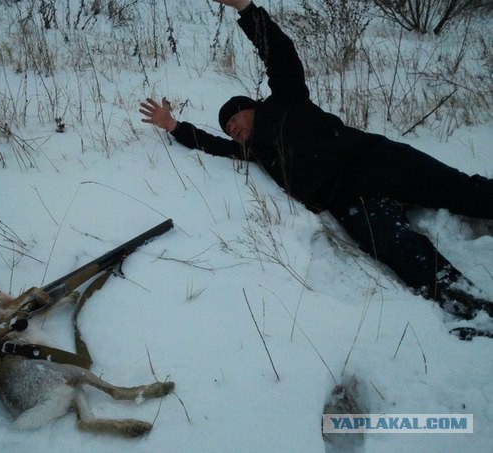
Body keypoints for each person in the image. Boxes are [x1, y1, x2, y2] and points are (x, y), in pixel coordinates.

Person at [139, 0, 493, 320]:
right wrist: (173, 126)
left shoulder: (286, 101)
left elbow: (280, 55)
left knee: (461, 190)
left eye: (235, 120)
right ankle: (473, 310)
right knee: (401, 253)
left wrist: (247, 10)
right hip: (348, 200)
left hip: (373, 158)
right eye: (229, 129)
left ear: (252, 108)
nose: (233, 130)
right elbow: (211, 144)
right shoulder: (254, 151)